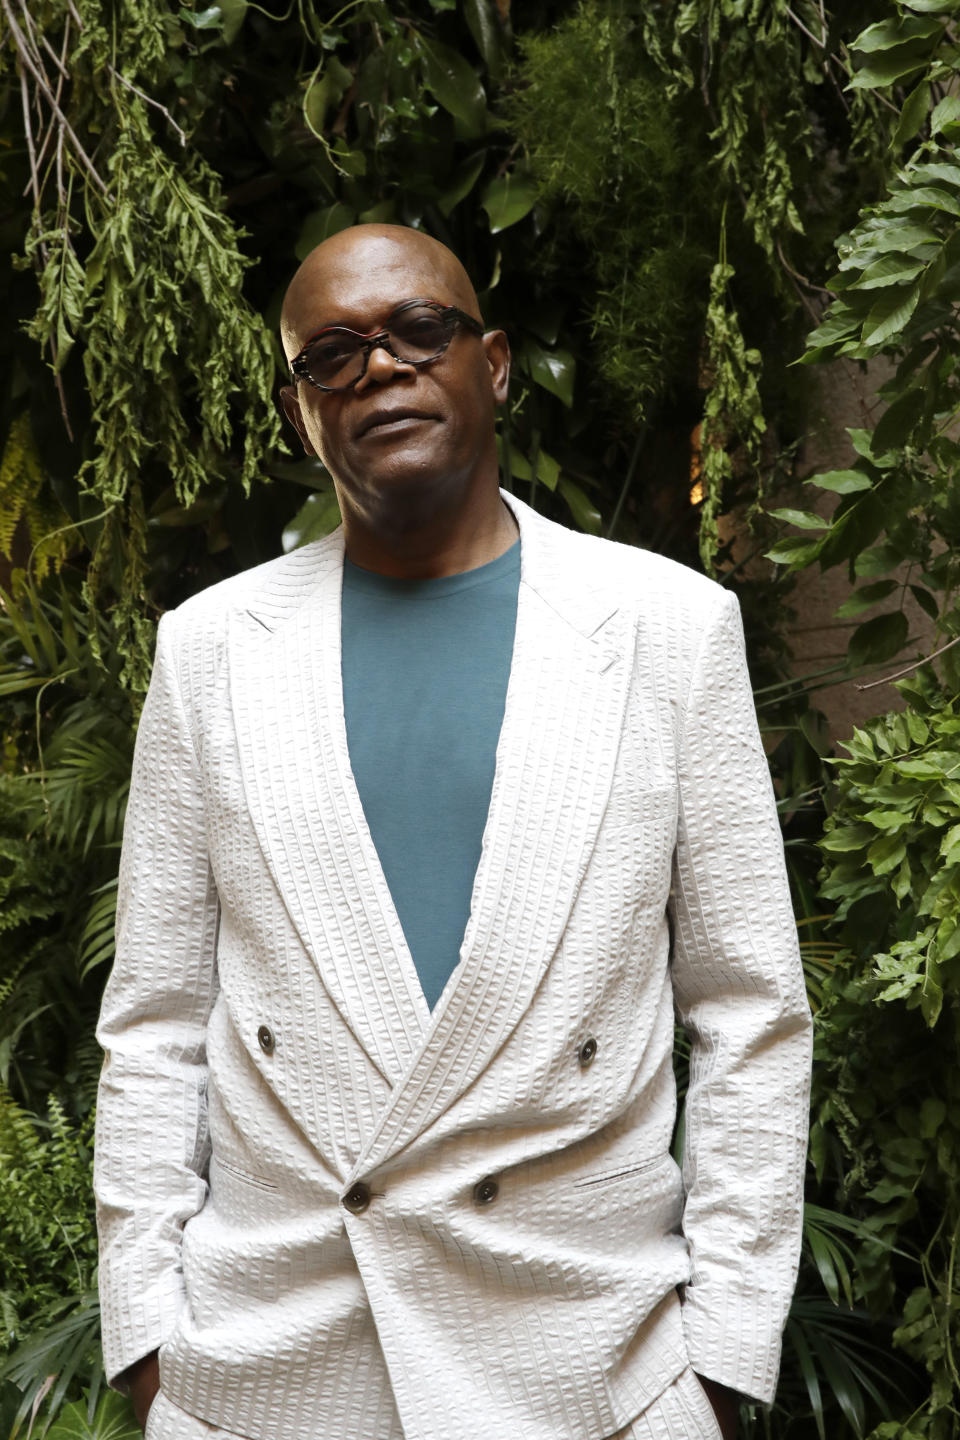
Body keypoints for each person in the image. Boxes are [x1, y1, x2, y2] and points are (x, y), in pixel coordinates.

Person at [94, 224, 812, 1440]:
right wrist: (148, 1336)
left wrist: (728, 1352)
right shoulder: (210, 649)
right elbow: (156, 1024)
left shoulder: (667, 629)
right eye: (332, 353)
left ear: (493, 365)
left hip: (596, 1365)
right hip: (276, 1367)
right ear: (299, 413)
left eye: (419, 330)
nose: (380, 367)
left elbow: (750, 1009)